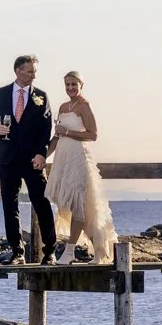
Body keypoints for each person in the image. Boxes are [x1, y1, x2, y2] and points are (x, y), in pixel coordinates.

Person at [0, 54, 57, 264]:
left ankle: (49, 251)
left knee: (41, 203)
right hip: (8, 158)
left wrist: (42, 153)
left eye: (35, 71)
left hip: (33, 160)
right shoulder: (2, 93)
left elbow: (46, 128)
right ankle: (17, 252)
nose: (34, 75)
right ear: (18, 71)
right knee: (10, 205)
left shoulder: (41, 96)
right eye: (30, 71)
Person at [47, 71, 117, 264]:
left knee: (78, 204)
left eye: (74, 85)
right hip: (63, 158)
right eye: (68, 85)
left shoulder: (84, 106)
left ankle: (69, 252)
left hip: (78, 158)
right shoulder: (63, 107)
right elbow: (57, 136)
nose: (70, 88)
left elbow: (93, 135)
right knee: (69, 205)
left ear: (81, 86)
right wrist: (43, 156)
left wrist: (68, 132)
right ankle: (99, 250)